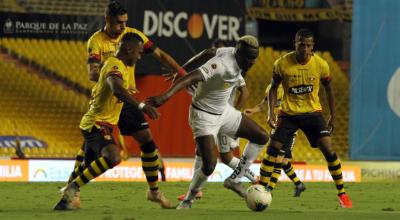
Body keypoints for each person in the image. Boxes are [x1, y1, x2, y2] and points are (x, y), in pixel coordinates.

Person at [64, 1, 185, 208]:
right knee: (91, 153)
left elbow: (160, 54)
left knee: (147, 141)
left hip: (128, 99)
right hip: (108, 98)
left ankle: (154, 191)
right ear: (107, 20)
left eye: (125, 22)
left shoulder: (133, 35)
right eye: (119, 23)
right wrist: (111, 68)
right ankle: (71, 190)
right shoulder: (96, 41)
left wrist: (181, 73)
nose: (122, 27)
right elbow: (93, 73)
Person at [147, 35, 268, 209]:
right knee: (210, 165)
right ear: (239, 54)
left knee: (262, 136)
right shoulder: (222, 65)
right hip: (204, 116)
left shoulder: (230, 54)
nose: (251, 63)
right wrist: (165, 95)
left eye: (254, 59)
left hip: (225, 112)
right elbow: (193, 77)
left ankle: (234, 180)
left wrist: (182, 68)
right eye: (249, 59)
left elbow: (208, 51)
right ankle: (188, 200)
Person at [54, 33, 161, 210]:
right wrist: (141, 106)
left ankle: (64, 202)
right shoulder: (114, 65)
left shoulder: (120, 66)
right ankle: (71, 189)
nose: (140, 56)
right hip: (96, 123)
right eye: (139, 52)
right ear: (129, 48)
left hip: (100, 123)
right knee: (113, 156)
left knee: (87, 166)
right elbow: (117, 89)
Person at [258, 28, 352, 208]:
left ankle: (342, 193)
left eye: (308, 45)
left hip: (312, 113)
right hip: (289, 114)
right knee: (273, 148)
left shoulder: (321, 64)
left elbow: (329, 89)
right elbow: (272, 88)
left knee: (328, 150)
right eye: (301, 44)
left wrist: (332, 115)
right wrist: (271, 113)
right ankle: (261, 189)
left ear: (312, 46)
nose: (305, 48)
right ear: (295, 44)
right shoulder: (282, 63)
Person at [176, 39, 257, 201]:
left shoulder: (232, 70)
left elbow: (245, 92)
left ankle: (254, 177)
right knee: (200, 151)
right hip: (212, 115)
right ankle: (196, 190)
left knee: (225, 158)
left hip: (222, 117)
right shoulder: (215, 69)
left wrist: (235, 112)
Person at [244, 83, 306, 197]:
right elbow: (264, 104)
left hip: (289, 129)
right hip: (277, 127)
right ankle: (299, 184)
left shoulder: (292, 87)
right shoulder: (272, 87)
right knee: (283, 162)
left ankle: (269, 188)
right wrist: (253, 110)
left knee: (278, 159)